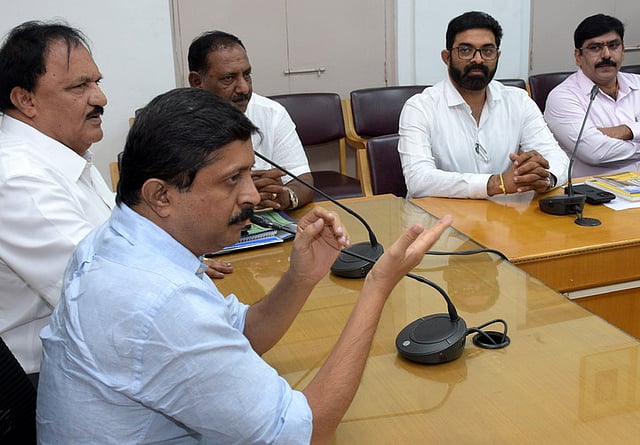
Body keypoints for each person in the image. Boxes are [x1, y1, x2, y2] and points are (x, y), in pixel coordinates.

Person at [36, 87, 452, 444]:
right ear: (161, 196)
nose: (252, 195)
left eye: (250, 175)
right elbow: (305, 434)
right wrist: (379, 286)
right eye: (232, 179)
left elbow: (244, 332)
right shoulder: (157, 300)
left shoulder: (119, 241)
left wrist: (301, 277)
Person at [0, 20, 114, 381]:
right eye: (80, 86)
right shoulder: (18, 177)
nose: (100, 98)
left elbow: (117, 236)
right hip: (44, 377)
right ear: (26, 100)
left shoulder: (63, 151)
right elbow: (104, 291)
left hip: (91, 352)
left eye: (96, 82)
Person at [398, 11, 569, 199]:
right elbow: (418, 179)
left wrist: (545, 178)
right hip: (438, 215)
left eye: (487, 51)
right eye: (465, 50)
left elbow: (557, 157)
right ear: (447, 57)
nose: (478, 59)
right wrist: (495, 183)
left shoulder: (518, 101)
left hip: (502, 214)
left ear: (497, 56)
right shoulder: (420, 108)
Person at [188, 30, 313, 211]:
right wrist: (236, 190)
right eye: (228, 78)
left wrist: (285, 195)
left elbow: (303, 180)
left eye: (246, 75)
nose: (244, 88)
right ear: (197, 82)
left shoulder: (272, 113)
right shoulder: (173, 126)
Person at [545, 14, 640, 178]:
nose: (606, 55)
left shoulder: (638, 84)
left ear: (623, 50)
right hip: (593, 189)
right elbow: (596, 152)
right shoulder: (562, 97)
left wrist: (627, 131)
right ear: (578, 56)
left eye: (613, 46)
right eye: (595, 48)